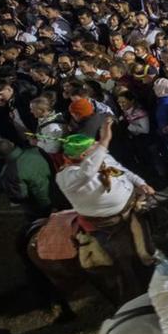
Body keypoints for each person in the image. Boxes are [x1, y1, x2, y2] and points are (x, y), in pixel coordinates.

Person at [55, 119, 156, 297]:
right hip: (107, 224)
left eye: (96, 143)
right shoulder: (66, 176)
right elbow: (87, 171)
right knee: (125, 260)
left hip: (135, 202)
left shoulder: (101, 156)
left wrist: (142, 183)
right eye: (92, 146)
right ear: (83, 155)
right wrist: (104, 140)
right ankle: (132, 291)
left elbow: (122, 170)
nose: (96, 145)